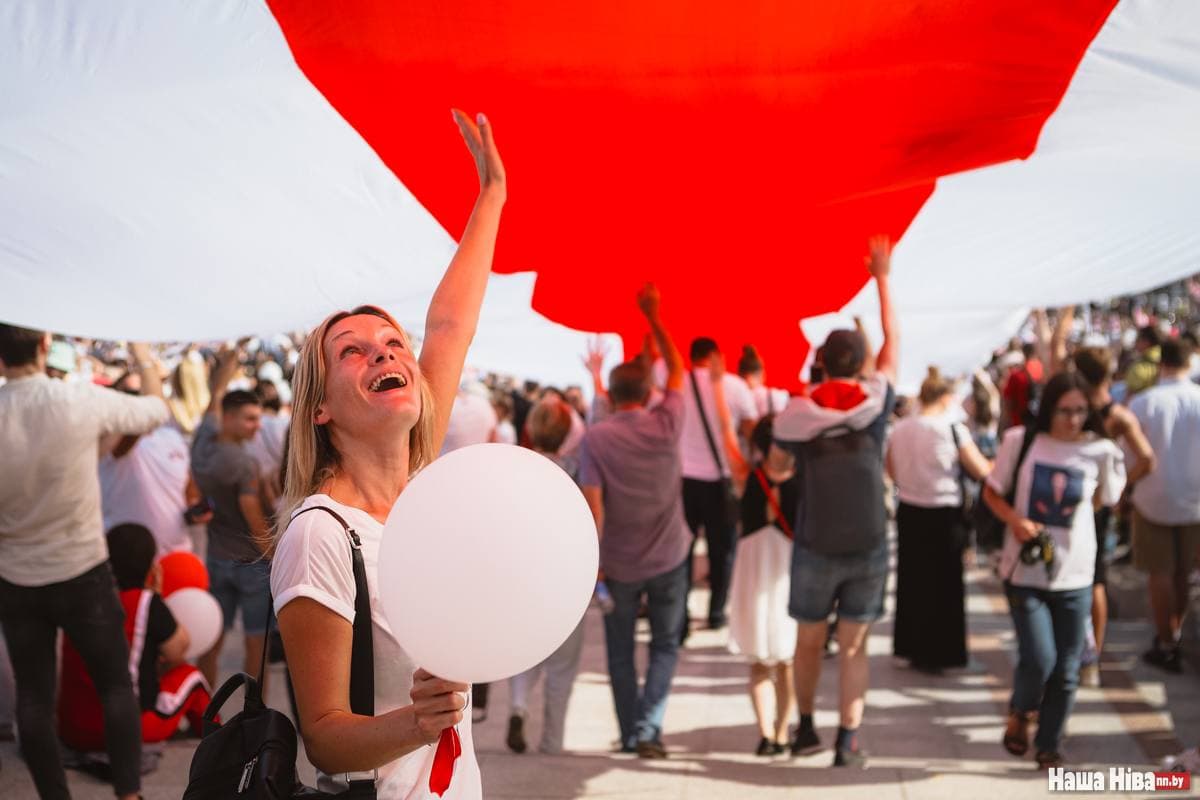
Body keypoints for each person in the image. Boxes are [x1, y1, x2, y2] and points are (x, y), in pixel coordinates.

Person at [269, 109, 504, 798]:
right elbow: (324, 736)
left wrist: (491, 195)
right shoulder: (319, 533)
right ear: (322, 407)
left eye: (393, 343)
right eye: (354, 350)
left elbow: (450, 325)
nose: (386, 350)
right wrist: (418, 721)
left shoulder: (420, 488)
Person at [1, 323, 168, 800]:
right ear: (44, 344)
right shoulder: (77, 400)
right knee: (115, 686)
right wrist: (140, 351)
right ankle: (128, 794)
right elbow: (156, 410)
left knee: (32, 701)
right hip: (82, 572)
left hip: (15, 578)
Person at [767, 235, 898, 768]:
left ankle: (803, 728)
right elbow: (894, 344)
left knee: (808, 641)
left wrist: (787, 466)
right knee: (855, 646)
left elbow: (777, 468)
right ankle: (849, 741)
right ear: (861, 362)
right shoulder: (878, 399)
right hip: (869, 538)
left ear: (821, 362)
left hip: (817, 539)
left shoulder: (798, 412)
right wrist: (882, 277)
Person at [985, 372, 1126, 770]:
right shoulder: (1022, 442)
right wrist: (1015, 520)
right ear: (1049, 408)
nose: (1074, 419)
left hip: (1076, 574)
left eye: (1082, 411)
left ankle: (1049, 743)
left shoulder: (1100, 450)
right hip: (1026, 572)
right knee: (1039, 656)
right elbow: (992, 491)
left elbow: (1107, 500)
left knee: (1068, 666)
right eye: (1065, 411)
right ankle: (1020, 710)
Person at [578, 284, 691, 759]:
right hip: (669, 555)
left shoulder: (596, 439)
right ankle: (648, 728)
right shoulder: (667, 421)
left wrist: (595, 564)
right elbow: (679, 368)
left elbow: (595, 507)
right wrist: (656, 317)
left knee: (621, 653)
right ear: (648, 392)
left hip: (619, 562)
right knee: (665, 644)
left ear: (612, 394)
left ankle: (630, 732)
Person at [57, 524, 211, 758]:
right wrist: (157, 596)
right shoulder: (147, 603)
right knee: (192, 676)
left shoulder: (82, 599)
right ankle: (213, 734)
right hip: (128, 728)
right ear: (151, 566)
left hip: (72, 729)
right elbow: (179, 650)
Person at [886, 367, 991, 673]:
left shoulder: (902, 427)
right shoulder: (952, 428)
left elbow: (890, 468)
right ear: (945, 397)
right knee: (945, 585)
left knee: (913, 581)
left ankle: (911, 646)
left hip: (910, 508)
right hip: (944, 510)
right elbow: (980, 469)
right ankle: (942, 652)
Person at [1068, 343, 1156, 686]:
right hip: (1092, 505)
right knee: (1094, 579)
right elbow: (1147, 459)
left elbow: (1147, 458)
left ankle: (1089, 654)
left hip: (1085, 505)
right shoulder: (1114, 412)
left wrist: (1116, 491)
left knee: (1091, 579)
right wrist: (1117, 492)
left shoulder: (1080, 409)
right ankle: (1092, 655)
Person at [505, 398, 586, 756]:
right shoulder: (576, 470)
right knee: (562, 667)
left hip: (523, 575)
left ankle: (519, 706)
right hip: (566, 577)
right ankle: (552, 739)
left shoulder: (516, 469)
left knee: (522, 653)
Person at [190, 343, 271, 689]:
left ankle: (205, 705)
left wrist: (230, 357)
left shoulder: (203, 440)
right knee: (257, 641)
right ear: (230, 419)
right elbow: (252, 514)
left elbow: (216, 393)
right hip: (250, 561)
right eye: (250, 419)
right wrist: (274, 550)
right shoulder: (243, 463)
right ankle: (257, 713)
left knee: (212, 637)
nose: (257, 426)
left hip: (217, 555)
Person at [1128, 337, 1200, 673]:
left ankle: (1168, 639)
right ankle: (1173, 633)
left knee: (1162, 573)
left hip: (1152, 496)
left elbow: (1130, 454)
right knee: (1182, 572)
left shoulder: (1144, 402)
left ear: (1162, 364)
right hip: (1192, 498)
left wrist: (1126, 488)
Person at [727, 416, 798, 756]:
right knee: (787, 662)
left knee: (759, 663)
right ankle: (783, 733)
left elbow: (726, 439)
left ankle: (766, 733)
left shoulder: (747, 475)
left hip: (754, 569)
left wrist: (714, 389)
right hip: (787, 568)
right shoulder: (805, 478)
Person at [676, 335, 755, 633]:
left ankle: (680, 616)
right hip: (721, 482)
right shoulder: (734, 386)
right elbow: (750, 429)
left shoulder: (677, 383)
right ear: (715, 356)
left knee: (683, 551)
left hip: (683, 479)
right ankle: (717, 612)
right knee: (722, 551)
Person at [99, 369, 199, 555]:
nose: (139, 401)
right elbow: (140, 422)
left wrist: (196, 509)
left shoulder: (173, 437)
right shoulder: (107, 442)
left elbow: (189, 490)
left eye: (144, 394)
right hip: (125, 561)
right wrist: (144, 361)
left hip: (177, 554)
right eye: (133, 394)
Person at [1123, 325, 1162, 398]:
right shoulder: (1167, 360)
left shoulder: (1138, 368)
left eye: (1137, 339)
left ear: (1146, 342)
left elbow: (1129, 397)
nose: (1135, 342)